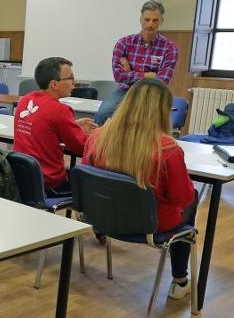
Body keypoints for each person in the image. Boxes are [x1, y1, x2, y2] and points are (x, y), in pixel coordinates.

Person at [84, 77, 196, 299]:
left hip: (102, 216)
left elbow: (88, 177)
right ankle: (180, 281)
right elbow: (182, 198)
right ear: (164, 110)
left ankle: (100, 230)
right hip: (150, 224)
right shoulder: (168, 149)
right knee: (192, 201)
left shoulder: (98, 137)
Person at [14, 56, 97, 195]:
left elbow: (42, 126)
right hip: (49, 183)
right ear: (54, 84)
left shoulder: (25, 100)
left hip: (21, 176)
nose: (74, 82)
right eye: (70, 77)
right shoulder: (60, 111)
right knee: (95, 186)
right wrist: (100, 133)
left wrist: (73, 125)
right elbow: (81, 147)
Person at [93, 0, 179, 126]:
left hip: (152, 94)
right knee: (102, 114)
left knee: (145, 124)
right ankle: (95, 144)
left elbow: (161, 81)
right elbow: (118, 76)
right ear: (141, 20)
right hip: (125, 91)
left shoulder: (170, 48)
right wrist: (146, 75)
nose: (150, 24)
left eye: (155, 20)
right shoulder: (124, 43)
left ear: (161, 21)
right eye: (147, 19)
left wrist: (131, 73)